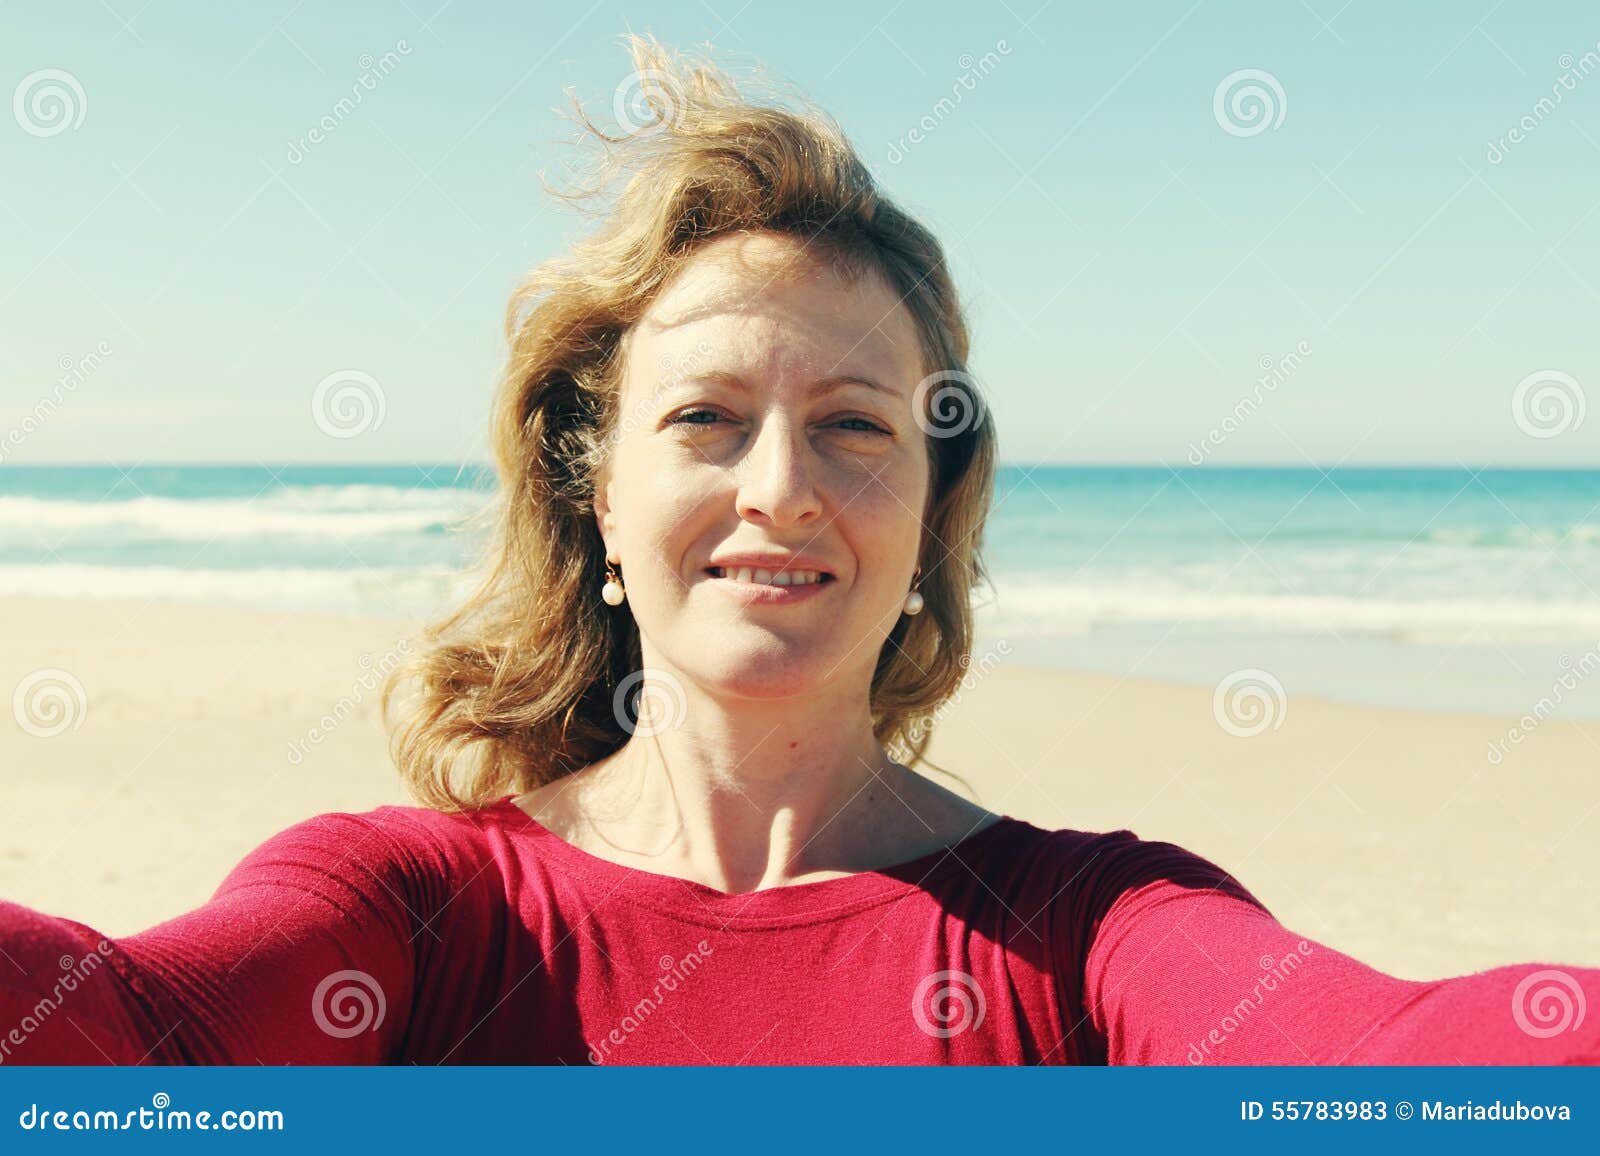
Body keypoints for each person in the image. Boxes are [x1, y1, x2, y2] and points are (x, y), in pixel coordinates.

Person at [2, 36, 1596, 1067]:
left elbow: (1405, 1063)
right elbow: (113, 1032)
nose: (784, 486)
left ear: (927, 509)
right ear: (595, 494)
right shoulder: (417, 914)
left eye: (856, 424)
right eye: (705, 418)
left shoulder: (1091, 934)